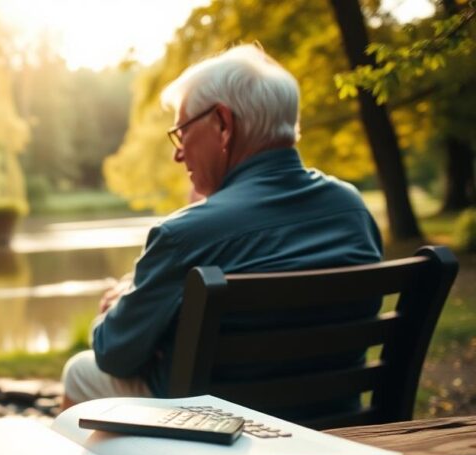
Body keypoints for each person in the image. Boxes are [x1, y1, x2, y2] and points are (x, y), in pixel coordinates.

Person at [61, 44, 383, 411]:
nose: (177, 153)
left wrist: (112, 311)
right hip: (332, 422)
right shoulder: (352, 209)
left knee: (80, 372)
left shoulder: (185, 235)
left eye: (181, 132)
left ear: (223, 125)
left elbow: (114, 356)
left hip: (218, 435)